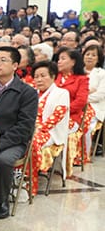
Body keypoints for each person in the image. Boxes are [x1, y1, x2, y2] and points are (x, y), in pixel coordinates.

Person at [0, 46, 37, 219]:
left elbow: (25, 126)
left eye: (3, 60)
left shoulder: (27, 92)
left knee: (4, 161)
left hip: (13, 141)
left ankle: (2, 200)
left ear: (15, 65)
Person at [30, 61, 70, 195]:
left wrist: (40, 127)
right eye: (36, 76)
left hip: (48, 131)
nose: (39, 79)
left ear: (53, 77)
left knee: (31, 142)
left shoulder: (61, 93)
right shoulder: (31, 92)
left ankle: (30, 181)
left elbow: (58, 115)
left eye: (43, 75)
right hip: (29, 128)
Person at [55, 47, 90, 168]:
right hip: (50, 114)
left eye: (63, 58)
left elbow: (81, 101)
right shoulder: (54, 77)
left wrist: (62, 112)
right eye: (58, 59)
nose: (59, 61)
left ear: (73, 62)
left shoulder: (82, 79)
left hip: (71, 117)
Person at [83, 45, 105, 153]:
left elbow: (100, 95)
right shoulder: (77, 72)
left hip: (94, 106)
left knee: (85, 121)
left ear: (98, 58)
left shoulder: (102, 74)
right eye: (87, 54)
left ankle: (83, 153)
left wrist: (82, 97)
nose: (90, 57)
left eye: (93, 55)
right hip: (77, 104)